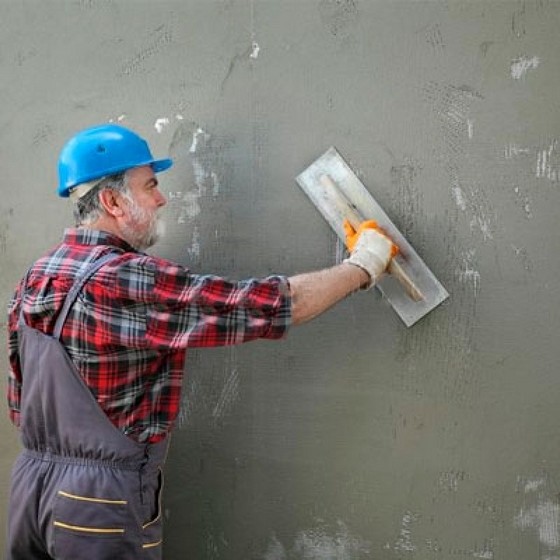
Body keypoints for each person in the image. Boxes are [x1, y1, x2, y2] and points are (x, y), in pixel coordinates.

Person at [6, 123, 395, 560]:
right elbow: (264, 306)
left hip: (31, 492)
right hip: (98, 504)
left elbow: (19, 404)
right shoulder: (125, 277)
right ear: (112, 201)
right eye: (150, 185)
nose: (161, 198)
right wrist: (365, 264)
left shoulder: (39, 274)